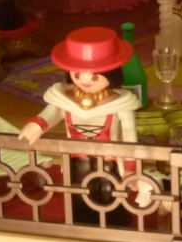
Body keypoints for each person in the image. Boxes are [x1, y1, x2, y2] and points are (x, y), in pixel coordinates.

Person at [18, 26, 151, 224]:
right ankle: (81, 221)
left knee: (110, 191)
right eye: (78, 73)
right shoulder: (63, 97)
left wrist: (130, 167)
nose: (86, 79)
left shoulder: (121, 103)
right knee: (79, 191)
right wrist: (38, 124)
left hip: (110, 159)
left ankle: (114, 220)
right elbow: (52, 112)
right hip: (77, 158)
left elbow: (130, 135)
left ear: (112, 73)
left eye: (95, 74)